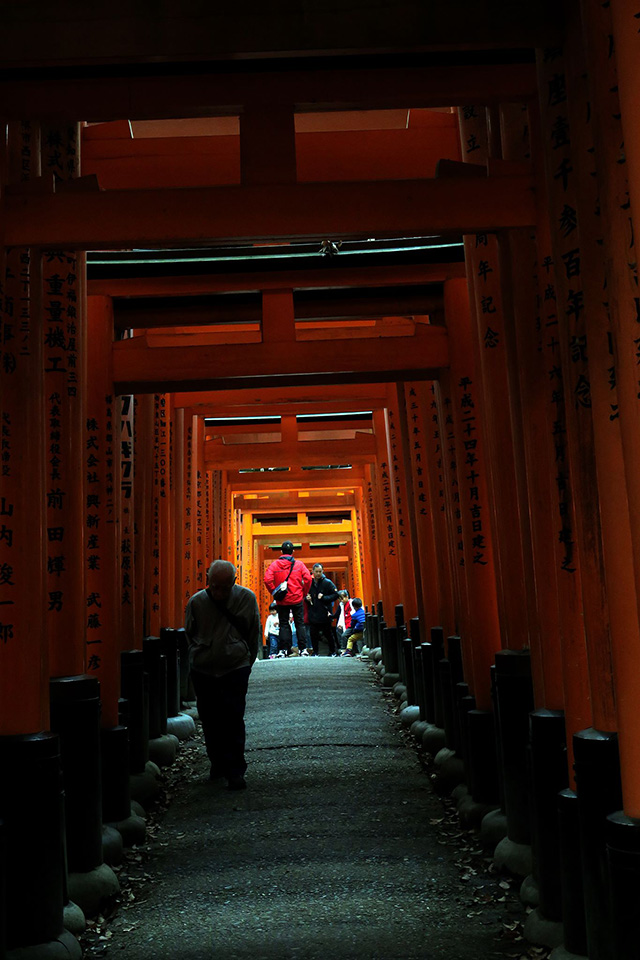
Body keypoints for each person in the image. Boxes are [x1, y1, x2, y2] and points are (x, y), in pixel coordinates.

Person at [185, 560, 261, 790]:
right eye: (214, 586)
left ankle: (235, 769)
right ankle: (217, 761)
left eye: (224, 588)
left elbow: (253, 632)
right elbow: (190, 634)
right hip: (204, 668)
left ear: (234, 582)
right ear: (207, 580)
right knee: (209, 717)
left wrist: (246, 658)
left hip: (234, 666)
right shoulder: (197, 602)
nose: (218, 592)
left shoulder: (246, 599)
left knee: (233, 716)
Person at [264, 540, 312, 655]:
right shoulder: (299, 564)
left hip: (282, 600)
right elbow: (308, 579)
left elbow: (267, 579)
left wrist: (274, 592)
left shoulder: (275, 565)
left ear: (281, 551)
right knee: (299, 624)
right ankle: (303, 649)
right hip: (297, 598)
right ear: (293, 552)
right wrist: (304, 592)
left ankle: (284, 649)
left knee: (284, 624)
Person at [306, 562, 340, 656]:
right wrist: (307, 598)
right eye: (316, 571)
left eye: (320, 571)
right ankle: (315, 652)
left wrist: (325, 597)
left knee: (328, 633)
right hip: (313, 612)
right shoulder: (309, 583)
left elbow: (336, 595)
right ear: (312, 571)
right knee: (313, 634)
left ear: (323, 571)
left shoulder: (327, 582)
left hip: (325, 612)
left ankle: (332, 651)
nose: (318, 573)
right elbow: (304, 594)